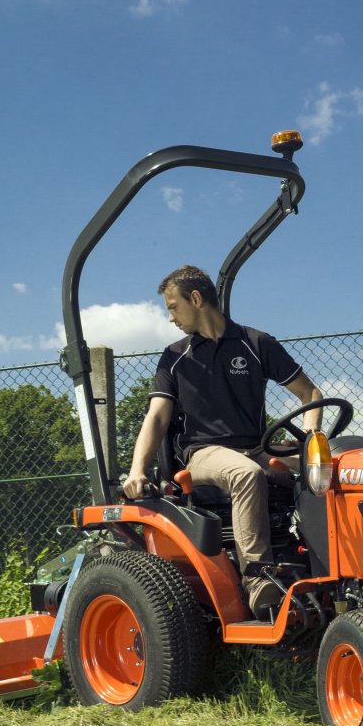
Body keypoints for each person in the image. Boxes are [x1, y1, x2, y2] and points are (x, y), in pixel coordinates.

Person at [119, 265, 323, 619]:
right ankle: (259, 581)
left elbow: (310, 393)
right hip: (204, 454)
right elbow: (156, 417)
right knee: (245, 474)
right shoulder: (175, 357)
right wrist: (137, 471)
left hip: (256, 447)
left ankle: (327, 570)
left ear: (196, 299)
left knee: (328, 468)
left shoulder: (257, 343)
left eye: (173, 307)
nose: (170, 318)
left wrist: (309, 439)